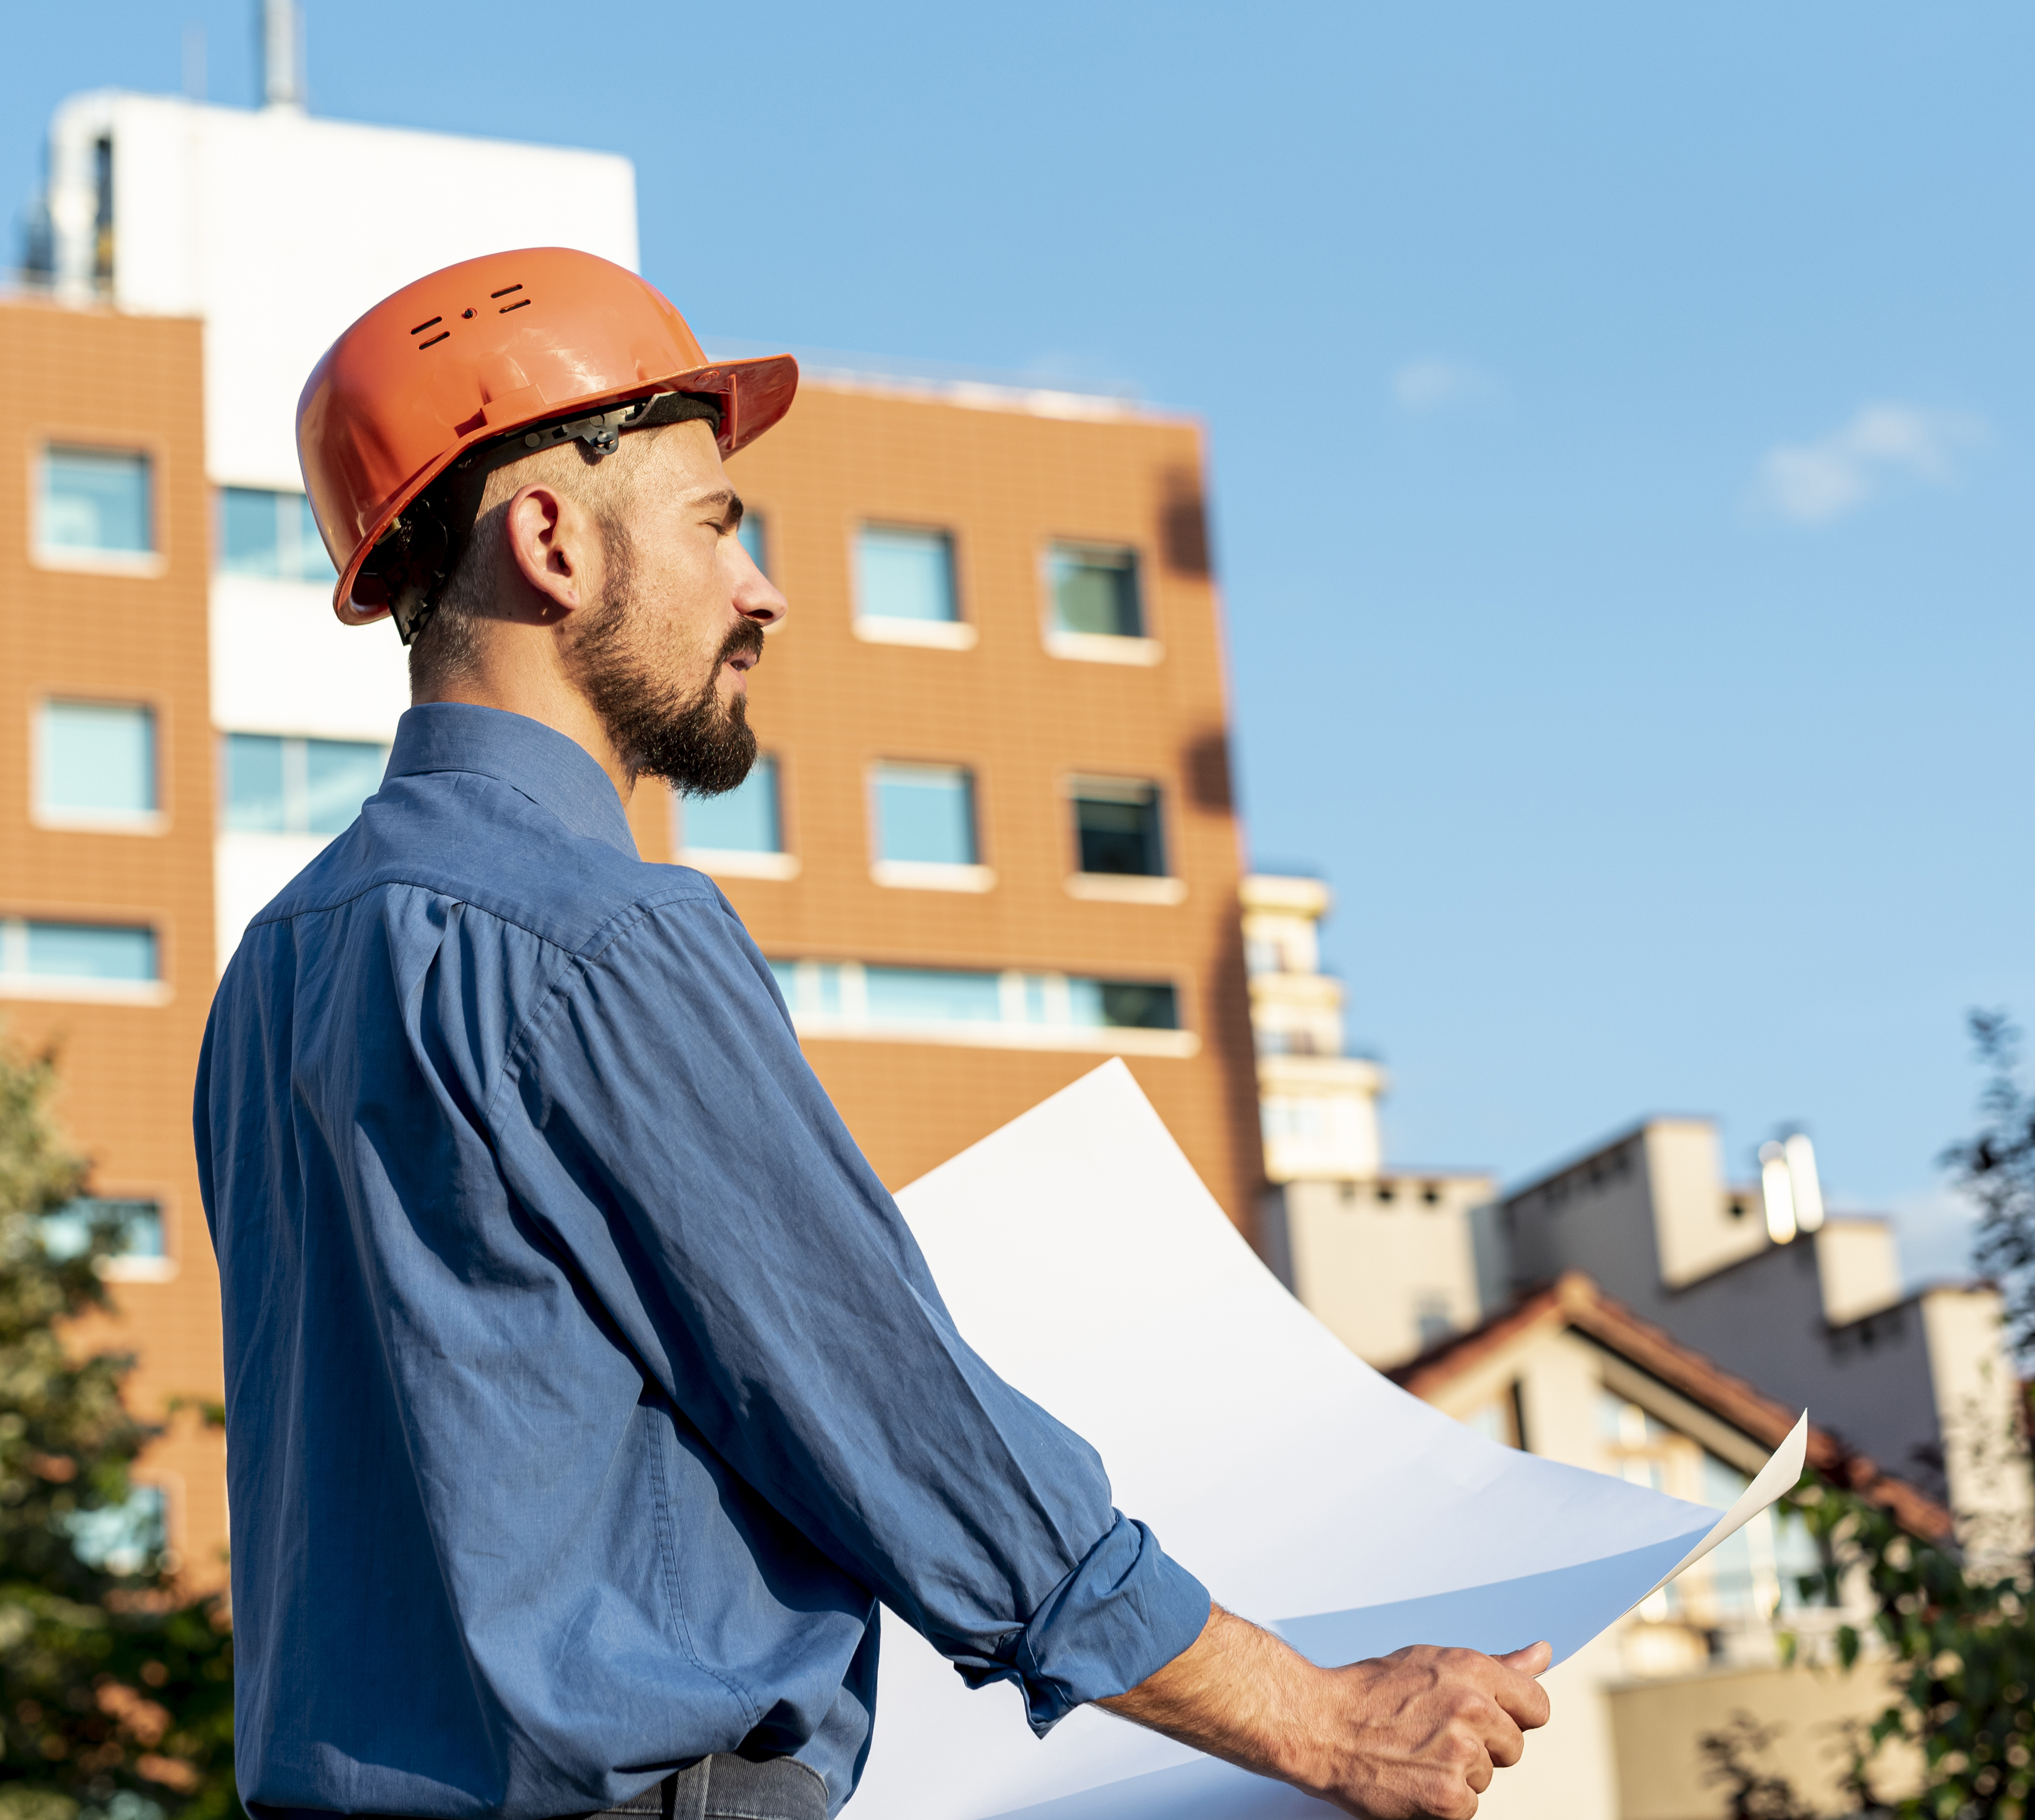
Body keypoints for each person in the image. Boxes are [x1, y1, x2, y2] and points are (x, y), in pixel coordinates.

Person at [193, 248, 1550, 1820]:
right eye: (714, 525)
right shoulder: (604, 937)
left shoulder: (274, 970)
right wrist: (1309, 1712)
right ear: (551, 540)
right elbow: (891, 1418)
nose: (757, 588)